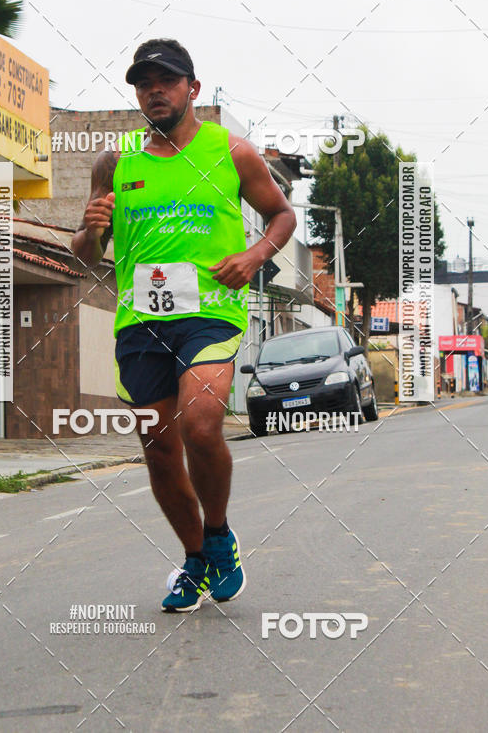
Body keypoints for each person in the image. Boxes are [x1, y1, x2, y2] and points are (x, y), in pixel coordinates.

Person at [72, 39, 296, 612]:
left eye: (166, 80)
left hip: (210, 314)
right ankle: (194, 558)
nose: (154, 90)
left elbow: (281, 214)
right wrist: (91, 229)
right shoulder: (114, 162)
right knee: (160, 449)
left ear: (191, 89)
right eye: (144, 82)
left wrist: (253, 257)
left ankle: (218, 534)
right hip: (140, 323)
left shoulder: (232, 151)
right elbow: (84, 256)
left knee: (200, 425)